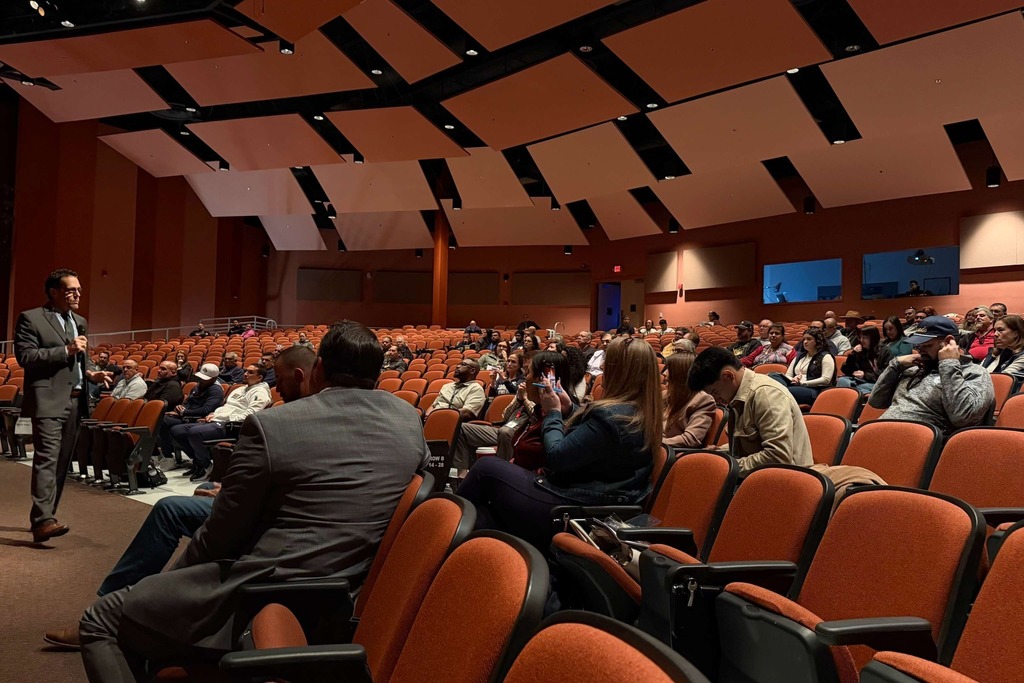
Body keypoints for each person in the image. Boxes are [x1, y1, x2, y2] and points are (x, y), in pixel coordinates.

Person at [79, 321, 429, 681]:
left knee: (100, 620)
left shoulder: (272, 425)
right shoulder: (408, 419)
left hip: (267, 586)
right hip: (346, 589)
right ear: (377, 372)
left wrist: (176, 584)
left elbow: (222, 534)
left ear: (319, 368)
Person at [41, 346, 320, 652]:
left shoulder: (282, 422)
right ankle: (112, 603)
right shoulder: (317, 417)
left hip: (271, 521)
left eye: (279, 378)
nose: (275, 387)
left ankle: (128, 611)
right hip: (265, 505)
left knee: (176, 511)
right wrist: (228, 488)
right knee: (173, 504)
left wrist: (229, 495)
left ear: (301, 376)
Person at [458, 337, 661, 551]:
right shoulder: (637, 412)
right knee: (483, 517)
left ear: (620, 371)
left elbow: (556, 457)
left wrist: (553, 413)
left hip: (578, 507)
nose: (601, 367)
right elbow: (592, 442)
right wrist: (568, 408)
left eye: (607, 363)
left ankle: (445, 532)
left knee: (485, 469)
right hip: (596, 501)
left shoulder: (611, 416)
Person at [14, 269, 113, 543]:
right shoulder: (31, 318)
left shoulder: (79, 321)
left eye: (79, 290)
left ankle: (45, 518)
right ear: (54, 292)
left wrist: (93, 373)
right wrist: (65, 351)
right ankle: (44, 520)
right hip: (47, 399)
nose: (77, 294)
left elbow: (84, 358)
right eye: (71, 290)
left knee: (61, 463)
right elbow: (26, 356)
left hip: (76, 400)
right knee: (46, 458)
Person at [688, 347, 813, 474]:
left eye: (715, 392)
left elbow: (778, 457)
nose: (715, 399)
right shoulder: (738, 394)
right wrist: (722, 452)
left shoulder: (765, 394)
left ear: (728, 375)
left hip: (786, 481)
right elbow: (756, 446)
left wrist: (726, 465)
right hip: (761, 477)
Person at [452, 351, 573, 476]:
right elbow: (505, 415)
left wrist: (525, 399)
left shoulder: (555, 411)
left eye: (529, 372)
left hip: (526, 475)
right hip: (509, 424)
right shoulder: (537, 404)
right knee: (462, 429)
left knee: (501, 440)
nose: (526, 377)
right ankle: (459, 474)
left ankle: (500, 475)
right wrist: (519, 398)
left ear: (543, 379)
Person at [868, 316, 994, 434]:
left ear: (949, 342)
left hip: (918, 443)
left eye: (927, 345)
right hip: (880, 434)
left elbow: (963, 417)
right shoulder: (914, 368)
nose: (920, 350)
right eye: (919, 345)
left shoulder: (975, 372)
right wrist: (895, 366)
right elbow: (876, 402)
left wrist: (949, 364)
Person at [170, 364, 272, 482]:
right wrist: (214, 414)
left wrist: (224, 418)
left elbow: (250, 415)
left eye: (250, 372)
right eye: (245, 371)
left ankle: (206, 466)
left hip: (232, 425)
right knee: (177, 430)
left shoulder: (260, 393)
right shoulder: (239, 389)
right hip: (218, 420)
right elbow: (226, 407)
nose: (245, 374)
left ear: (259, 377)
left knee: (195, 432)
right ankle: (198, 461)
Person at [157, 364, 224, 470]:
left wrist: (184, 412)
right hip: (187, 417)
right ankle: (169, 456)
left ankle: (199, 460)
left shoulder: (216, 390)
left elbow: (206, 410)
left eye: (205, 379)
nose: (201, 380)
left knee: (176, 429)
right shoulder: (197, 386)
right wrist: (180, 408)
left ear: (214, 378)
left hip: (200, 419)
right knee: (162, 420)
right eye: (201, 377)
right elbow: (188, 403)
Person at [662, 351, 716, 448]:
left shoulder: (702, 400)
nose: (664, 373)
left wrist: (656, 444)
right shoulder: (665, 395)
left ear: (680, 374)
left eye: (669, 369)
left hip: (673, 455)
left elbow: (691, 439)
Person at [773, 327, 835, 408]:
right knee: (773, 375)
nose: (805, 342)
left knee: (784, 391)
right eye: (804, 339)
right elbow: (788, 374)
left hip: (814, 390)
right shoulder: (799, 356)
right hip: (795, 385)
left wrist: (803, 383)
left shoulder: (825, 356)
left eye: (809, 339)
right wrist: (793, 379)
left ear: (817, 341)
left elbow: (826, 380)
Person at [838, 326, 882, 395]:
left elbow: (885, 374)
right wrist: (853, 354)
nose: (861, 340)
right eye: (860, 337)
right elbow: (846, 370)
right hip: (860, 380)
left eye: (864, 338)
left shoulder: (884, 351)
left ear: (873, 338)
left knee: (856, 389)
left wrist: (865, 375)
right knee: (842, 381)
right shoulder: (860, 351)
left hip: (876, 382)